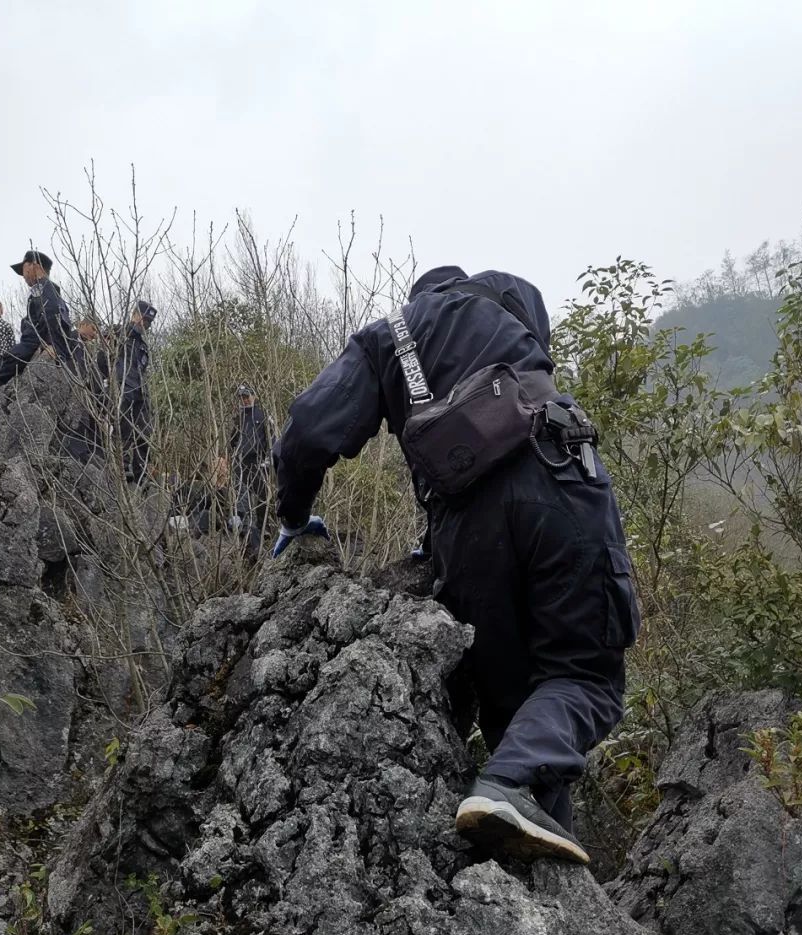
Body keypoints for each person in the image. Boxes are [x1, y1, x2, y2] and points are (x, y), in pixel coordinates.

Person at [272, 265, 640, 864]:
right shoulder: (509, 298)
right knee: (581, 678)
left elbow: (309, 430)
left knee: (508, 704)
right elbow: (530, 379)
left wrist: (294, 517)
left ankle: (509, 809)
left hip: (467, 530)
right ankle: (515, 808)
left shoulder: (388, 336)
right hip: (560, 476)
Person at [0, 248, 100, 463]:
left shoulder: (46, 290)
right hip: (34, 345)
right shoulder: (40, 291)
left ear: (34, 265)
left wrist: (54, 347)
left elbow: (54, 318)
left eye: (24, 268)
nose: (23, 275)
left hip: (35, 346)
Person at [111, 300, 155, 483]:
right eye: (143, 319)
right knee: (122, 431)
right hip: (123, 389)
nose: (144, 324)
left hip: (140, 394)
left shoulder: (144, 346)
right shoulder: (118, 333)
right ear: (135, 315)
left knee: (145, 432)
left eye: (148, 323)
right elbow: (102, 360)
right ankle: (119, 467)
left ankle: (141, 473)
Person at [229, 384, 272, 554]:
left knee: (261, 498)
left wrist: (267, 461)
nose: (245, 400)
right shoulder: (239, 419)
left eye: (247, 396)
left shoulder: (263, 416)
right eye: (242, 397)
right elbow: (233, 441)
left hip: (258, 463)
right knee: (242, 498)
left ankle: (263, 530)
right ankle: (245, 534)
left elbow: (272, 439)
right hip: (241, 464)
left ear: (254, 396)